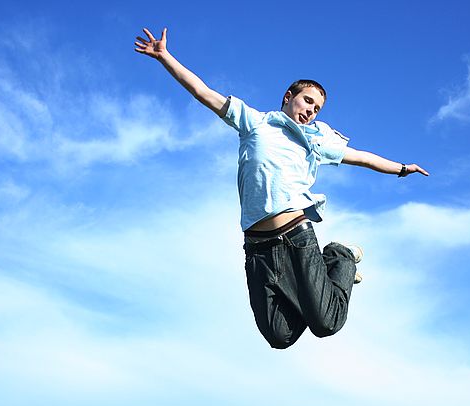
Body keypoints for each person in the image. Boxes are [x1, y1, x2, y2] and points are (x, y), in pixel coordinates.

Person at [135, 27, 428, 349]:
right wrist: (164, 57)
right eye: (307, 101)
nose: (310, 111)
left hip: (295, 234)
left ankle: (339, 256)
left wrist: (401, 169)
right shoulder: (255, 122)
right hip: (258, 245)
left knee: (327, 323)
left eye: (316, 109)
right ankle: (322, 282)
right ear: (288, 97)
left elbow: (360, 157)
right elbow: (204, 93)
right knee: (279, 336)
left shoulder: (315, 140)